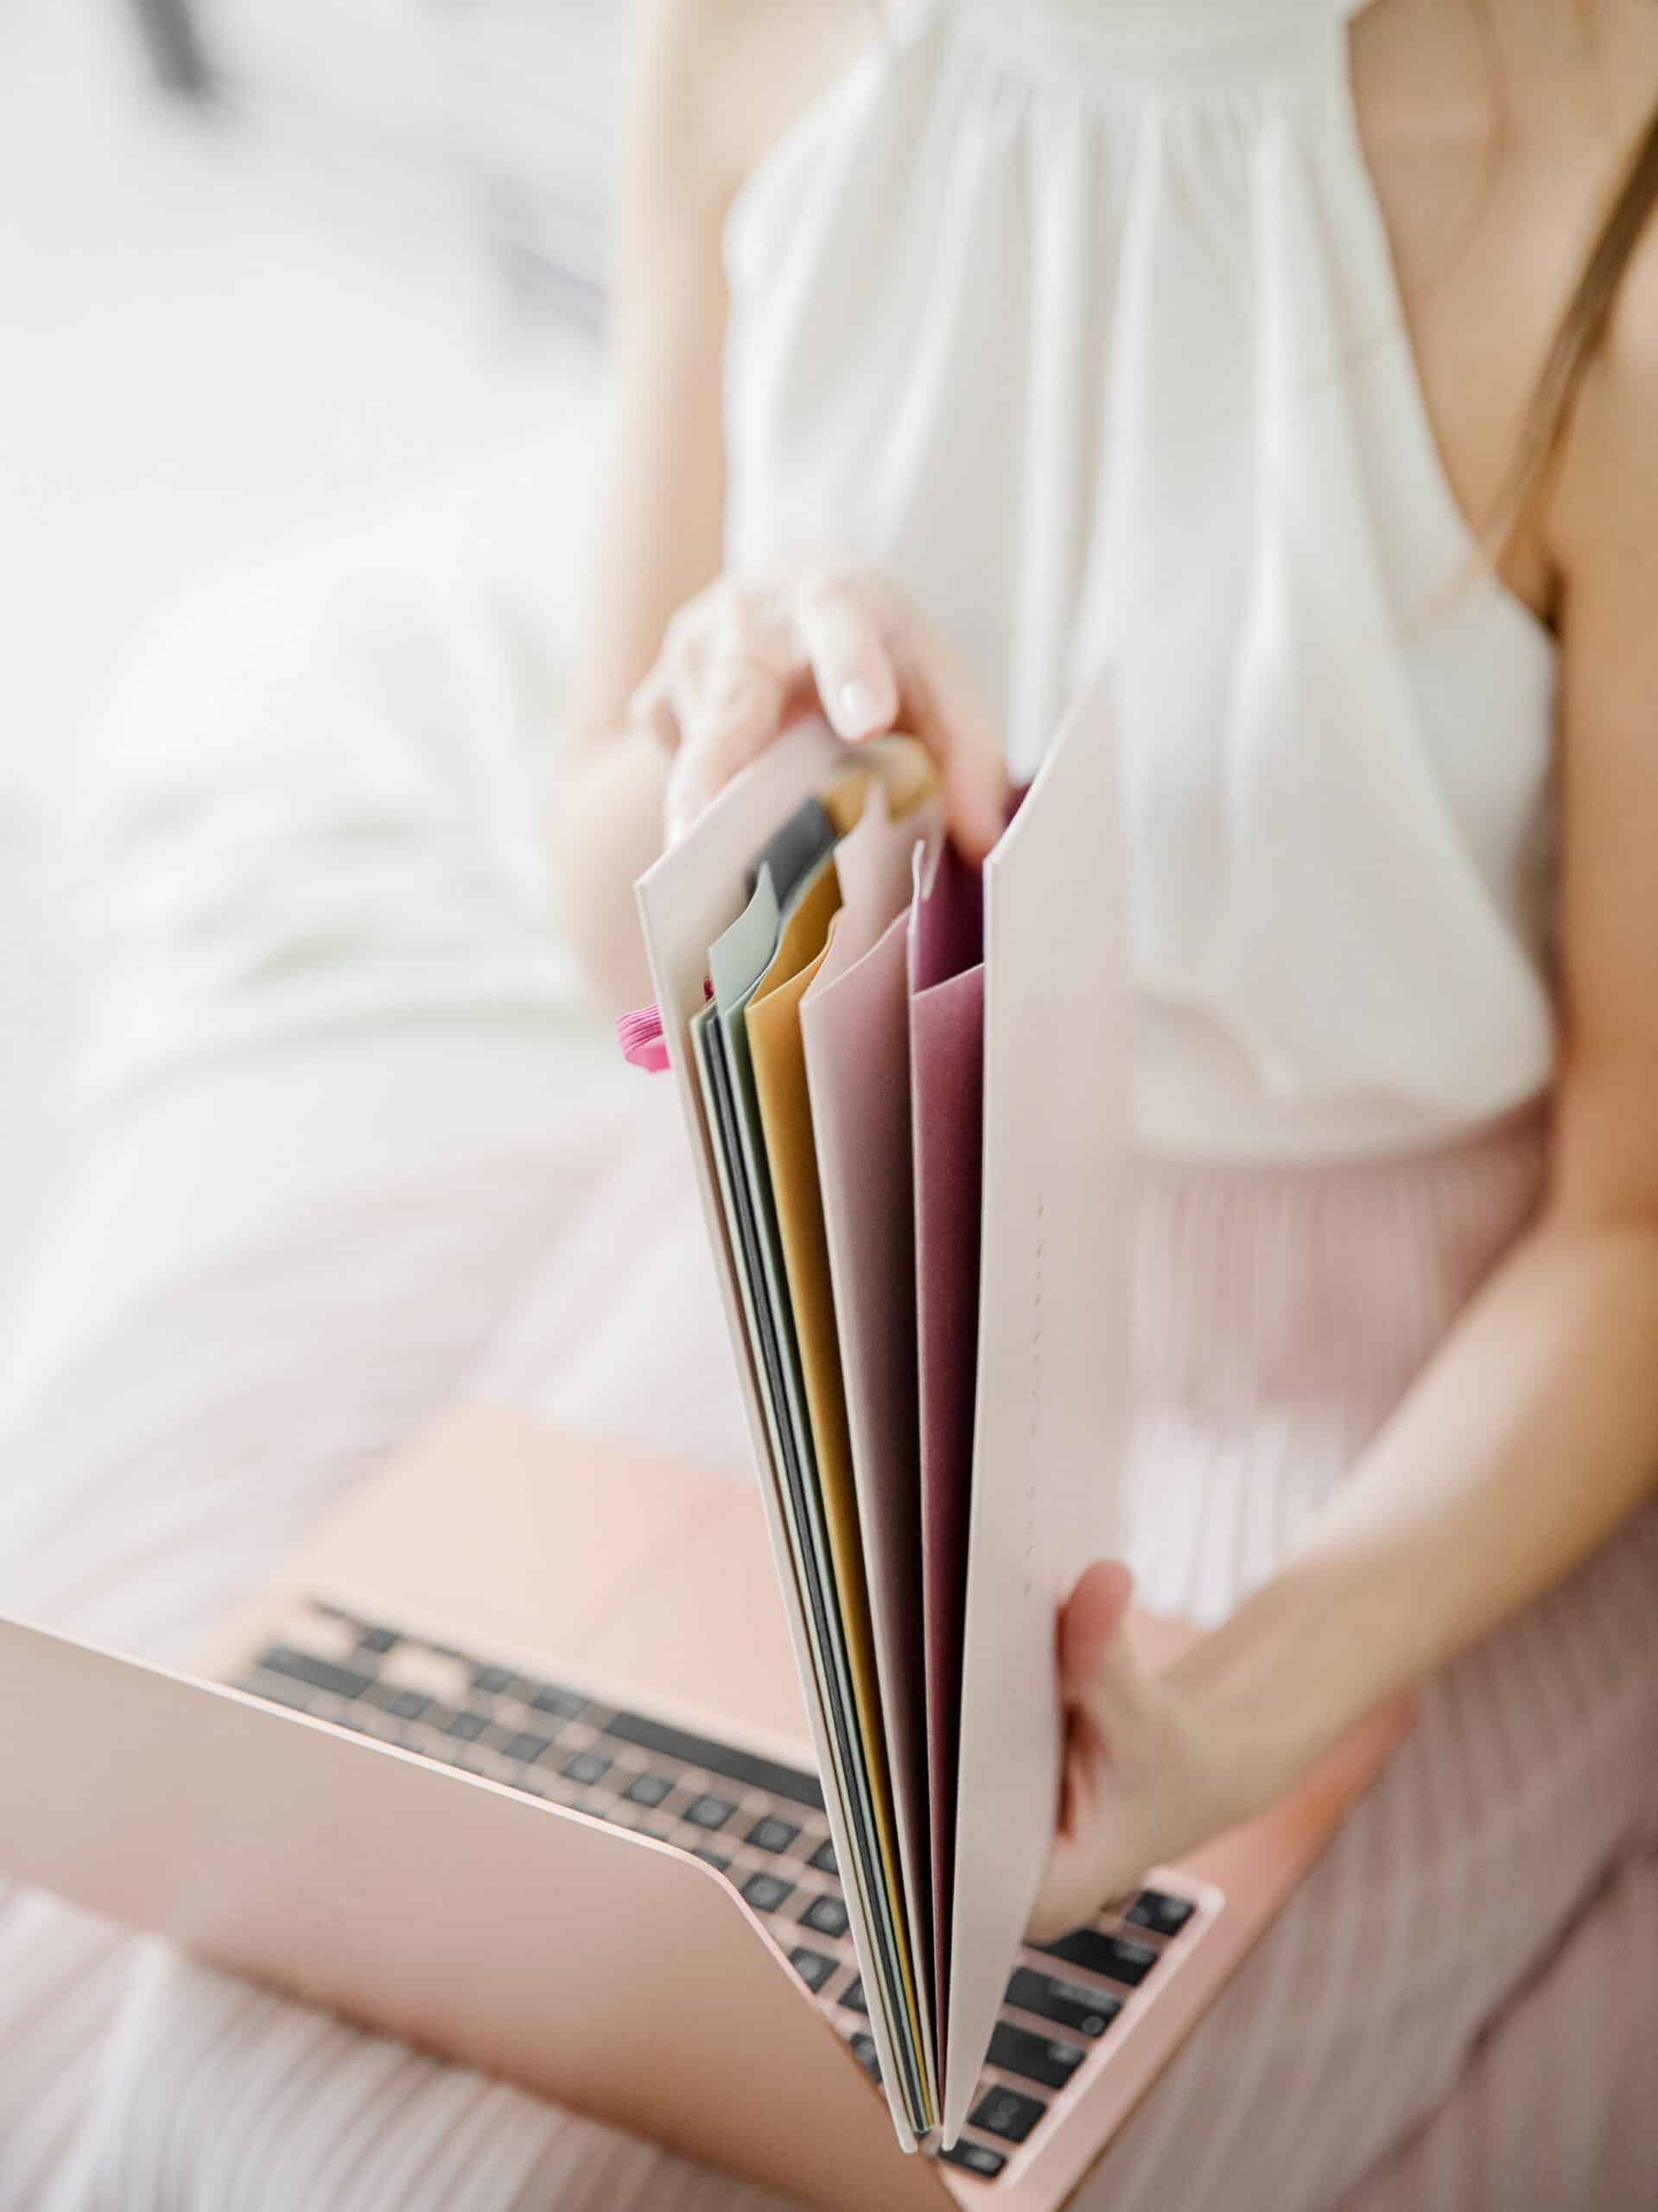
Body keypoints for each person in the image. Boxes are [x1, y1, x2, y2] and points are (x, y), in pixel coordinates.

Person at [3, 0, 1658, 2203]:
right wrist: (726, 754)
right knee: (260, 2053)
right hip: (811, 1294)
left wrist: (1231, 1719)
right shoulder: (749, 42)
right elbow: (611, 909)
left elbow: (1636, 1204)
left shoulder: (1592, 146)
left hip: (1366, 1439)